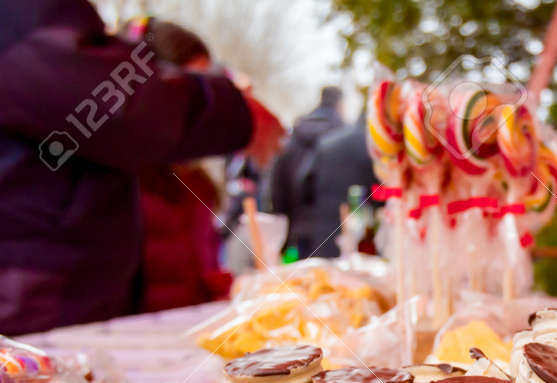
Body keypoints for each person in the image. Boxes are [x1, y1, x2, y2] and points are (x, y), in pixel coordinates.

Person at [0, 0, 278, 335]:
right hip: (74, 325)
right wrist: (234, 113)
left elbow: (195, 269)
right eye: (187, 83)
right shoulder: (135, 183)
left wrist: (225, 288)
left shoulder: (196, 187)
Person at [129, 17, 234, 312]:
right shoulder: (123, 186)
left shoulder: (197, 184)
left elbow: (202, 273)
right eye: (192, 94)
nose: (203, 113)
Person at [268, 86, 345, 258]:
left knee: (298, 282)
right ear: (339, 104)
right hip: (336, 233)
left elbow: (277, 188)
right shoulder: (343, 137)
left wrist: (286, 224)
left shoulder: (293, 139)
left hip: (298, 232)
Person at [294, 112, 379, 259]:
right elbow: (379, 193)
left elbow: (304, 185)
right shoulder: (373, 148)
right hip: (361, 238)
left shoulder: (327, 142)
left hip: (323, 233)